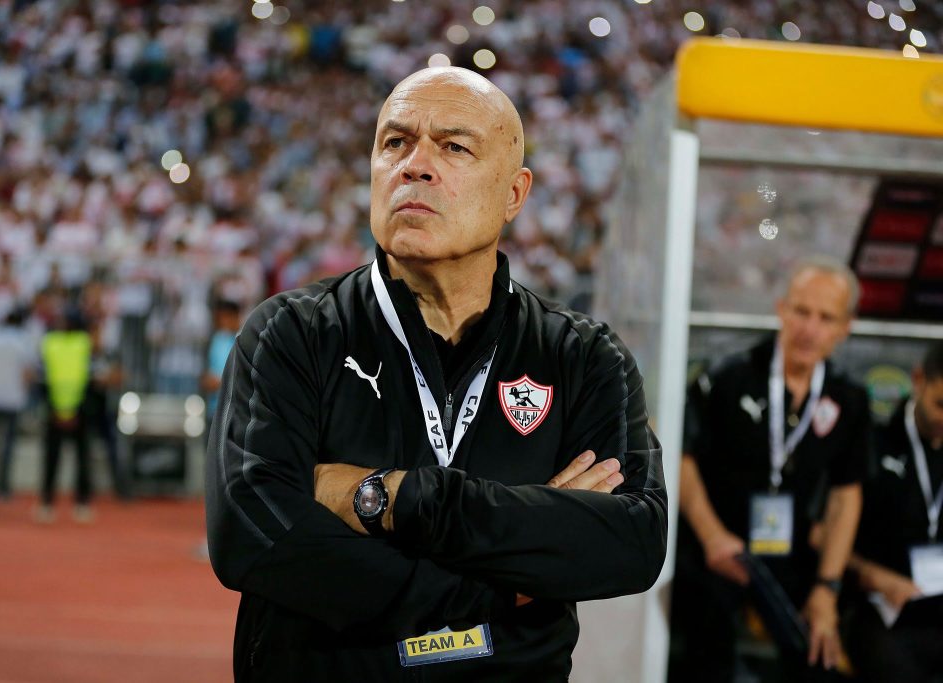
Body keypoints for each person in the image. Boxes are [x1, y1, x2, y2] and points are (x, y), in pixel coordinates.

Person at [205, 67, 667, 682]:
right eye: (395, 142)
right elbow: (253, 537)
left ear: (514, 194)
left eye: (454, 147)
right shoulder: (291, 333)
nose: (415, 166)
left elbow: (632, 542)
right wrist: (502, 582)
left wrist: (394, 497)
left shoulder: (583, 356)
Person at [669, 257, 869, 682]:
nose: (809, 329)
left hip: (790, 556)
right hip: (716, 548)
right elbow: (682, 458)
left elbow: (845, 495)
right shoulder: (728, 376)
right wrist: (712, 535)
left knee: (823, 652)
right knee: (707, 635)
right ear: (781, 309)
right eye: (801, 311)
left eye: (826, 318)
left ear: (845, 327)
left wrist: (827, 588)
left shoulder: (849, 398)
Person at [842, 341, 943, 682]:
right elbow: (821, 533)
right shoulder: (872, 442)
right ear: (919, 380)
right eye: (941, 405)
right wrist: (872, 574)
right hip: (879, 606)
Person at [38, 308, 94, 523]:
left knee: (81, 459)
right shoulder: (53, 342)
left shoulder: (80, 342)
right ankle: (47, 502)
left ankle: (81, 501)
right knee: (53, 458)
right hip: (57, 408)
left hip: (77, 408)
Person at [0, 308, 36, 500]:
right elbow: (28, 373)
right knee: (8, 445)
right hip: (13, 398)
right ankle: (3, 487)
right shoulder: (24, 340)